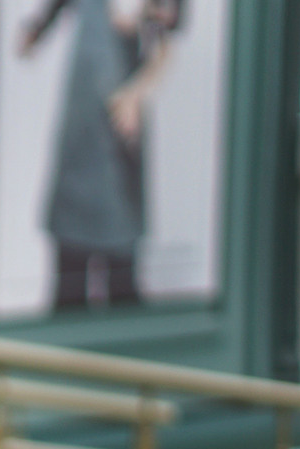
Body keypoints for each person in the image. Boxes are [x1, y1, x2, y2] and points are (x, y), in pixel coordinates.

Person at [21, 0, 184, 310]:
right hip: (81, 128)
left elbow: (164, 46)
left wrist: (135, 95)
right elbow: (51, 12)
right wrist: (34, 33)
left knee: (121, 268)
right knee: (69, 275)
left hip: (117, 134)